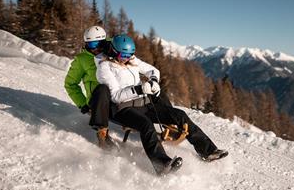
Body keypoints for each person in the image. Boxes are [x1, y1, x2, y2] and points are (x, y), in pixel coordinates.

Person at [95, 34, 228, 175]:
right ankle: (161, 164)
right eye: (123, 55)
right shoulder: (104, 68)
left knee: (180, 115)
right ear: (114, 52)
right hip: (123, 109)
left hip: (143, 104)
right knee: (146, 125)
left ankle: (208, 151)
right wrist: (139, 89)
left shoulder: (131, 60)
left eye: (130, 55)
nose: (127, 58)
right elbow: (115, 96)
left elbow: (153, 70)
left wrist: (153, 81)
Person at [64, 25, 117, 149]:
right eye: (93, 44)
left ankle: (168, 126)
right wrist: (83, 104)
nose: (96, 48)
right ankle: (102, 133)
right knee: (102, 89)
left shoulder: (113, 50)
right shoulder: (82, 60)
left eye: (100, 43)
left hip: (119, 95)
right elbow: (70, 84)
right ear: (87, 43)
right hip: (98, 100)